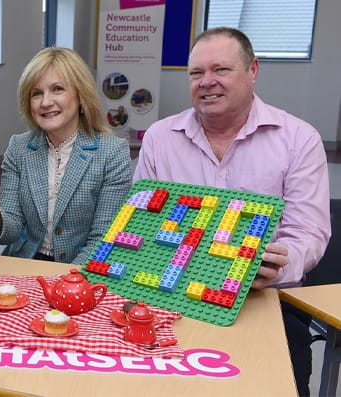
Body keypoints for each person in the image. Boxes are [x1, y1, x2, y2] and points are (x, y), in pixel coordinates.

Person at [133, 27, 331, 397]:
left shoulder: (298, 139)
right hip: (172, 295)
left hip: (268, 300)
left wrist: (276, 265)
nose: (207, 82)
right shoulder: (160, 138)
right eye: (196, 73)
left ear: (252, 70)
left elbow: (309, 233)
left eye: (221, 70)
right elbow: (142, 221)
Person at [0, 46, 132, 264]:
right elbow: (11, 231)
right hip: (24, 264)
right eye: (36, 93)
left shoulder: (112, 152)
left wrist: (63, 283)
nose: (45, 102)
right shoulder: (19, 148)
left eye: (57, 89)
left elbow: (102, 240)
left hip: (80, 271)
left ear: (81, 95)